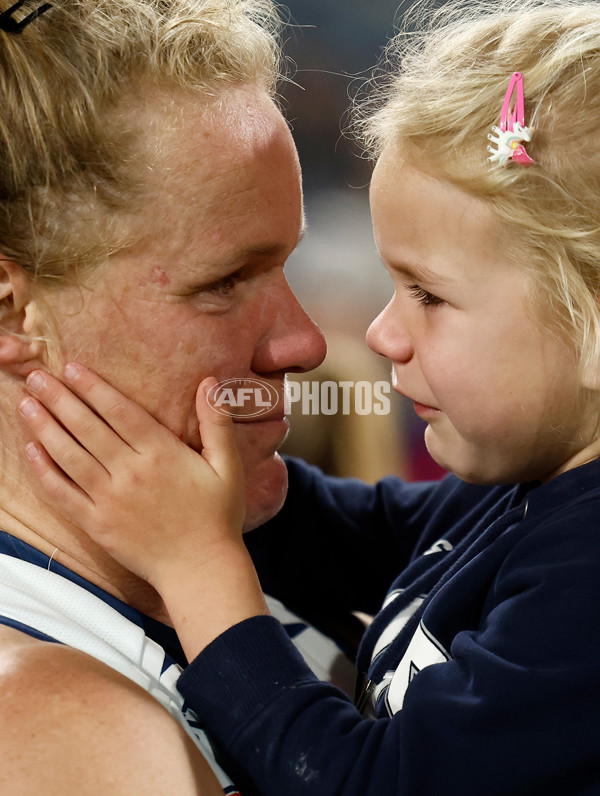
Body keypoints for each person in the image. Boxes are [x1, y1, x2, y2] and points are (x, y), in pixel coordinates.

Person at [18, 0, 600, 793]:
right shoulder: (47, 719)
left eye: (428, 294)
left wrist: (195, 561)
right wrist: (197, 523)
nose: (324, 343)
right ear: (13, 312)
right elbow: (346, 535)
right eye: (223, 281)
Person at [0, 0, 338, 793]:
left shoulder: (276, 575)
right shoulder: (63, 733)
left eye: (287, 262)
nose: (304, 342)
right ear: (13, 312)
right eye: (224, 282)